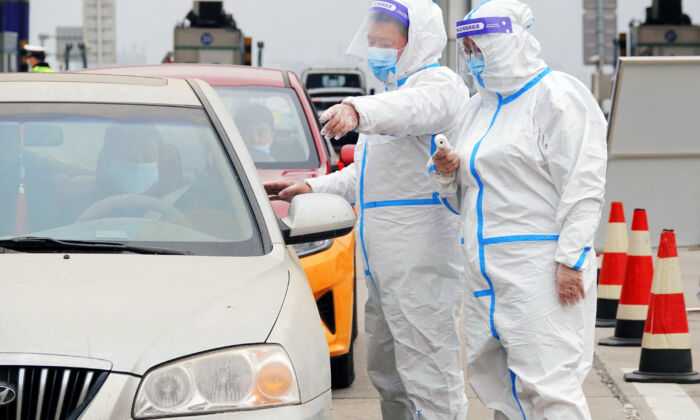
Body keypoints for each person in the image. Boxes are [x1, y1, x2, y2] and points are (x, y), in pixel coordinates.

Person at [265, 1, 469, 419]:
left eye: (384, 42)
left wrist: (357, 109)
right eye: (372, 41)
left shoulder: (439, 87)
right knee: (388, 372)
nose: (375, 50)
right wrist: (309, 187)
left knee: (429, 372)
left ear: (417, 42)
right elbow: (366, 175)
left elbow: (410, 110)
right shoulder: (394, 95)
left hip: (421, 261)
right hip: (385, 262)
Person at [431, 1, 607, 418]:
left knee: (550, 388)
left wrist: (571, 259)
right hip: (483, 271)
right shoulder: (478, 107)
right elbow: (462, 196)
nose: (472, 58)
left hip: (539, 271)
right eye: (467, 49)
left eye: (479, 47)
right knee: (499, 388)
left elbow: (583, 185)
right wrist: (444, 172)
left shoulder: (557, 97)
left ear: (506, 42)